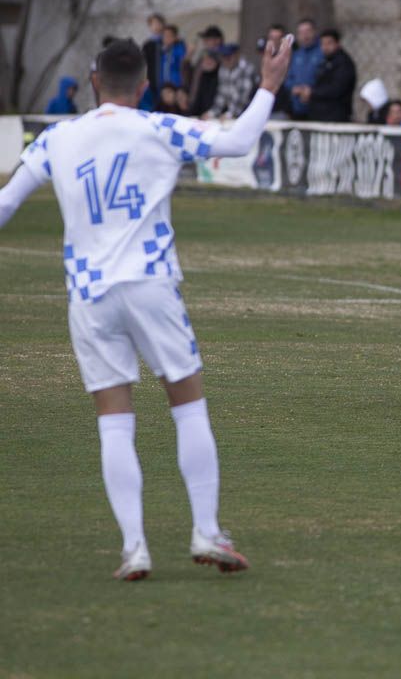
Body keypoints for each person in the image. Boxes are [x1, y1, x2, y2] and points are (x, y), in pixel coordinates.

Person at [0, 36, 293, 579]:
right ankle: (205, 531)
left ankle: (135, 547)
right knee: (188, 407)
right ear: (143, 85)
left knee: (114, 422)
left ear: (93, 81)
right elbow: (241, 140)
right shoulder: (159, 127)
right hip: (151, 285)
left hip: (88, 295)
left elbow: (6, 204)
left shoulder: (56, 138)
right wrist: (269, 83)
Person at [296, 28, 356, 122]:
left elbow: (336, 89)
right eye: (323, 44)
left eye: (329, 43)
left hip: (335, 116)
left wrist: (312, 92)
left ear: (337, 43)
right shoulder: (325, 61)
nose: (325, 47)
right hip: (320, 115)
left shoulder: (343, 63)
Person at [205, 43, 257, 119]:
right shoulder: (223, 69)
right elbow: (222, 94)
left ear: (237, 55)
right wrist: (212, 113)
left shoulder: (246, 68)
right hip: (233, 112)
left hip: (249, 112)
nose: (226, 60)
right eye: (223, 56)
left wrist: (230, 114)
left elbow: (242, 97)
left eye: (229, 56)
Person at [286, 19, 323, 118]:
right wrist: (294, 88)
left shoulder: (322, 53)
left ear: (314, 32)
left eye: (308, 31)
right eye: (301, 33)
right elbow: (289, 78)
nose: (305, 36)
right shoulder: (296, 55)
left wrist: (311, 91)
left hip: (317, 107)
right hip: (297, 108)